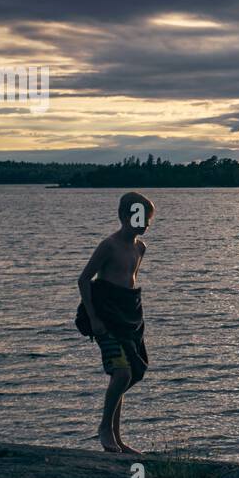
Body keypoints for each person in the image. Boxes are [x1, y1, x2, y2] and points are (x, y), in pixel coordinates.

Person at [78, 191, 154, 454]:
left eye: (147, 217)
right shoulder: (108, 245)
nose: (143, 222)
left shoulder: (140, 248)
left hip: (129, 318)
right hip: (106, 319)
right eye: (138, 215)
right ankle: (104, 429)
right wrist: (94, 318)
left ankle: (117, 437)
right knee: (121, 373)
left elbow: (128, 285)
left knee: (131, 373)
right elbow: (84, 279)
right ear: (124, 216)